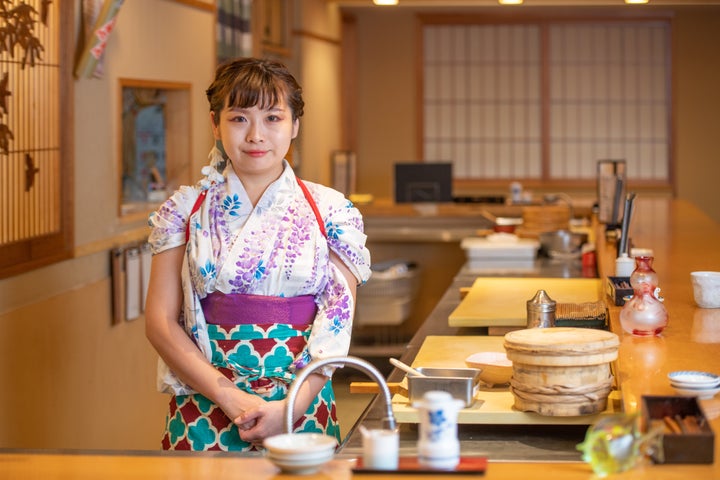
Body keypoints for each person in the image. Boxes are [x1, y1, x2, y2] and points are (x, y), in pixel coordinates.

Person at [144, 57, 371, 451]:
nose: (255, 135)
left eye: (272, 118)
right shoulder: (183, 211)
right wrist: (231, 398)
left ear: (294, 126)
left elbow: (337, 321)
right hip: (206, 400)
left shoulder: (331, 211)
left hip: (300, 403)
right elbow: (160, 322)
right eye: (238, 119)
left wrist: (289, 409)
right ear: (215, 123)